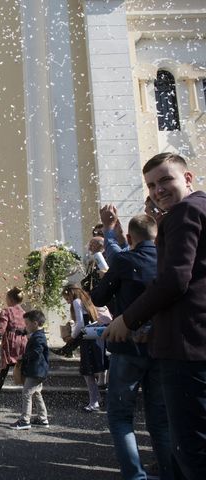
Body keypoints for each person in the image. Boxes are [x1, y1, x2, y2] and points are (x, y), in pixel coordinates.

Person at [104, 152, 206, 479]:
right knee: (168, 430)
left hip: (183, 344)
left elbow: (175, 280)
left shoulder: (184, 212)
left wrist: (126, 320)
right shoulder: (197, 209)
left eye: (165, 180)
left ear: (187, 178)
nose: (157, 190)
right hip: (177, 339)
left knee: (190, 448)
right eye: (151, 185)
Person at [91, 214, 173, 479]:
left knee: (120, 416)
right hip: (161, 348)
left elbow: (98, 296)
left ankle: (135, 476)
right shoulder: (168, 261)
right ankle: (170, 474)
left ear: (129, 239)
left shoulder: (126, 261)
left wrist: (108, 278)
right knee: (160, 421)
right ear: (158, 237)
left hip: (128, 348)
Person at [62, 284, 108, 412]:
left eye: (67, 298)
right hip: (94, 337)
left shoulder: (77, 301)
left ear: (71, 293)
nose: (67, 301)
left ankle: (94, 402)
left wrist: (72, 336)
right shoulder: (86, 299)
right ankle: (97, 398)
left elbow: (80, 323)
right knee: (91, 370)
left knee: (88, 371)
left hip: (87, 338)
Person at [8, 310, 50, 430]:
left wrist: (23, 356)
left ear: (35, 323)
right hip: (38, 371)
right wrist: (17, 331)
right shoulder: (37, 335)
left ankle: (25, 421)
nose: (25, 326)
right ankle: (43, 419)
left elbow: (36, 352)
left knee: (26, 394)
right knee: (36, 394)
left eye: (27, 323)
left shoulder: (39, 337)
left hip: (36, 371)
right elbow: (25, 332)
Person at [0, 287, 27, 410]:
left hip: (11, 343)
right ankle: (27, 401)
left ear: (10, 299)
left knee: (4, 372)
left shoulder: (6, 311)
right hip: (23, 343)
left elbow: (2, 327)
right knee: (24, 371)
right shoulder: (24, 312)